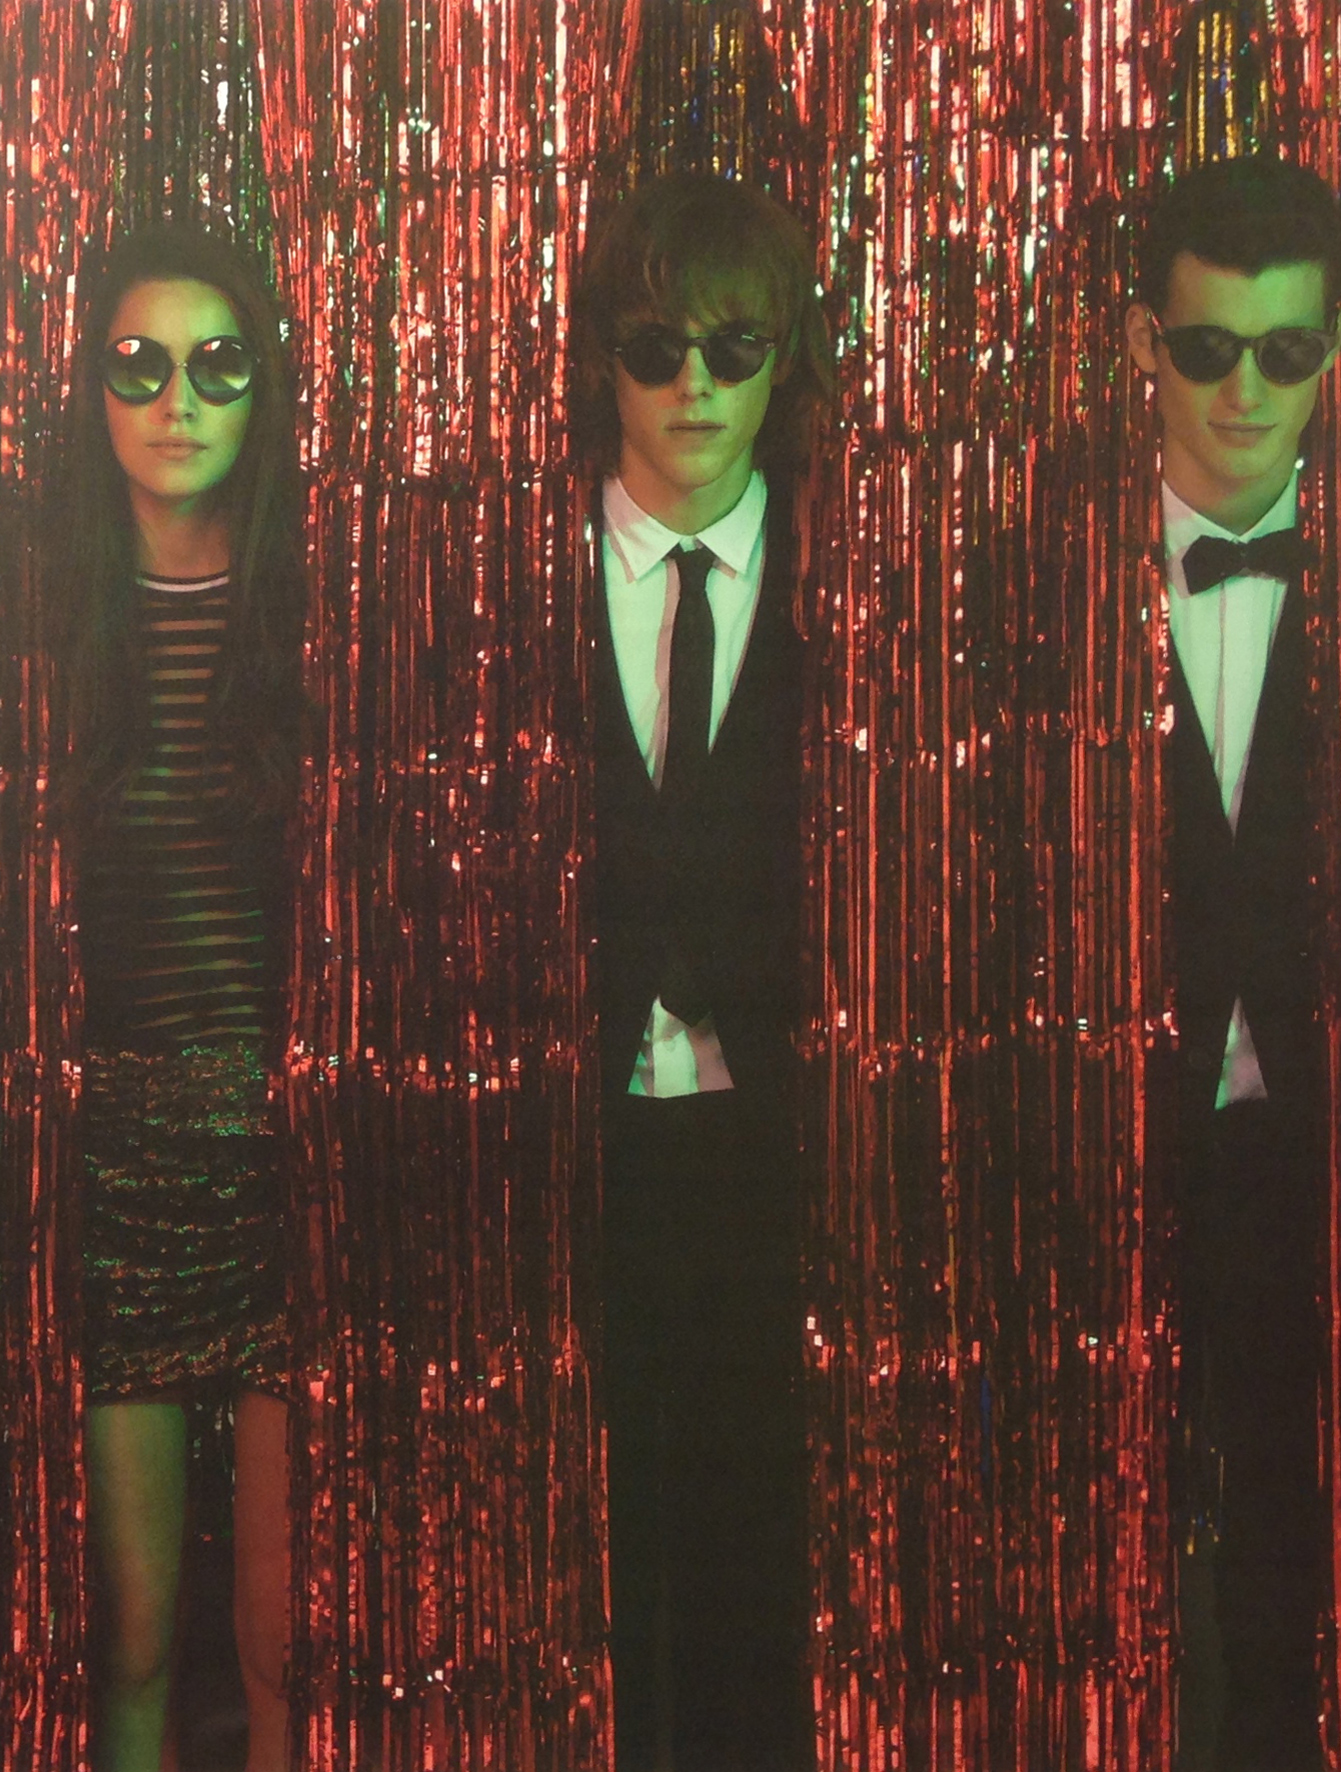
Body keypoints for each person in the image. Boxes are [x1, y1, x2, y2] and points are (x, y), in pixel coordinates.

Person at [564, 171, 832, 1771]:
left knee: (755, 1569)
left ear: (781, 360)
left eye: (734, 348)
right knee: (584, 1572)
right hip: (560, 1149)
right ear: (601, 358)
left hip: (773, 1155)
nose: (693, 388)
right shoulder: (496, 577)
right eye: (654, 347)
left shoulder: (855, 584)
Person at [53, 223, 305, 1772]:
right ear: (92, 391)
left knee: (287, 1642)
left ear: (262, 390)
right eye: (137, 366)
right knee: (131, 1633)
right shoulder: (47, 628)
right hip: (116, 1166)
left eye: (218, 365)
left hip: (292, 1160)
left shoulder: (317, 615)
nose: (176, 403)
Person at [1123, 152, 1341, 1772]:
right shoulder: (1017, 588)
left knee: (1301, 1550)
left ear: (1329, 354)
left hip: (1322, 1161)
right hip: (1101, 1150)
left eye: (1285, 351)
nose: (1246, 391)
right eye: (1209, 348)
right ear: (1144, 343)